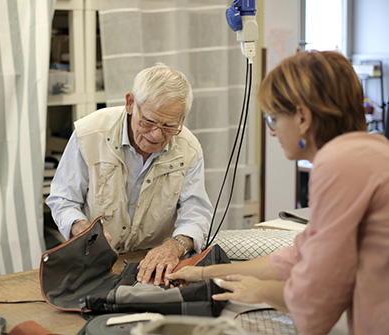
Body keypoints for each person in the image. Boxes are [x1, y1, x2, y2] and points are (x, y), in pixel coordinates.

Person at [167, 51, 389, 334]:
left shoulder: (339, 163)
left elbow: (318, 298)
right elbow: (298, 256)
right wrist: (202, 273)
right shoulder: (372, 150)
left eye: (273, 118)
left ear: (303, 117)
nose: (272, 132)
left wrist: (262, 291)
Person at [46, 63, 213, 286]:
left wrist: (174, 247)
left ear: (181, 120)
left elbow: (197, 211)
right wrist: (84, 230)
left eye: (169, 126)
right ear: (131, 103)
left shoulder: (188, 148)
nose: (156, 135)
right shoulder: (89, 134)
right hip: (93, 263)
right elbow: (63, 199)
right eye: (149, 121)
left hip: (152, 265)